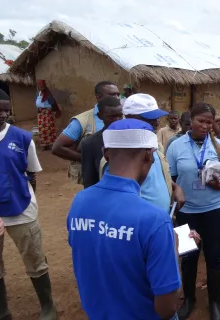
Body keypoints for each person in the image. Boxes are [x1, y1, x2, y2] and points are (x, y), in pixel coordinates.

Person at [67, 119, 193, 320]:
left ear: (106, 153)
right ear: (149, 156)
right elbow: (167, 308)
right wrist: (174, 250)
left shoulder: (80, 201)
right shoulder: (155, 220)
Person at [166, 103, 220, 320]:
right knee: (188, 255)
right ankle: (189, 299)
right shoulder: (176, 146)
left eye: (210, 122)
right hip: (186, 211)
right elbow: (169, 177)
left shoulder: (219, 147)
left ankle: (215, 302)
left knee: (214, 255)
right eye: (201, 121)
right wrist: (176, 191)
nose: (206, 126)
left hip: (215, 209)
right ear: (191, 121)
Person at [0, 89, 57, 320]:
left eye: (6, 110)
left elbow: (31, 174)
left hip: (21, 209)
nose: (3, 114)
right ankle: (2, 311)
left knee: (35, 259)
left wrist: (27, 200)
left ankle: (48, 306)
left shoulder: (22, 138)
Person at [100, 93, 185, 213]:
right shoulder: (118, 155)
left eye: (157, 117)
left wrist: (175, 187)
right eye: (149, 118)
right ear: (129, 117)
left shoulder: (155, 143)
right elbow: (118, 203)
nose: (156, 122)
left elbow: (159, 176)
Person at [52, 81, 120, 185]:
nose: (117, 97)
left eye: (118, 94)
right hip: (94, 176)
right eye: (112, 94)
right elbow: (57, 148)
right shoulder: (81, 121)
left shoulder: (122, 117)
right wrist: (89, 158)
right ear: (98, 97)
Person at [81, 96, 123, 188]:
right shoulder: (90, 144)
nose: (117, 121)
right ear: (100, 116)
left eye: (120, 116)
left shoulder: (131, 139)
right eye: (111, 117)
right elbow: (89, 180)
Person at [35, 80, 61, 151]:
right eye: (39, 86)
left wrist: (49, 109)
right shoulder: (37, 94)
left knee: (49, 129)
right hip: (40, 114)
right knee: (41, 130)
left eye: (42, 86)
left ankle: (51, 144)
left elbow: (52, 102)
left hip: (47, 113)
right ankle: (44, 145)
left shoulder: (48, 94)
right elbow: (36, 103)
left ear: (44, 86)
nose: (41, 87)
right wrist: (39, 109)